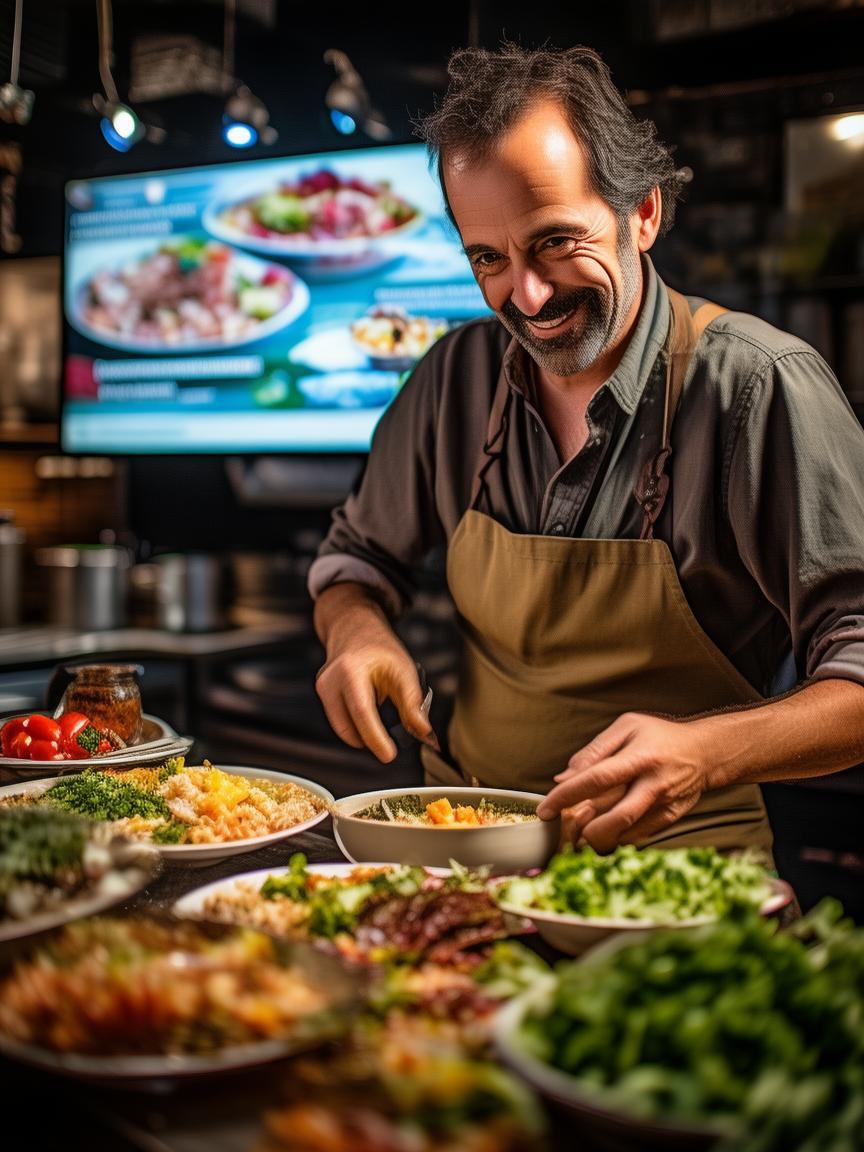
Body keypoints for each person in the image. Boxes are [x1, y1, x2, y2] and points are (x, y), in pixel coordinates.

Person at [308, 41, 864, 858]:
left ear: (642, 213)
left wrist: (705, 753)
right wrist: (356, 633)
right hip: (466, 847)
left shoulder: (757, 386)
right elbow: (354, 561)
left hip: (676, 868)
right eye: (488, 259)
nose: (525, 296)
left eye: (555, 243)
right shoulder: (454, 378)